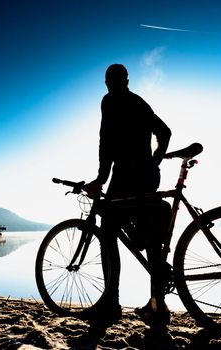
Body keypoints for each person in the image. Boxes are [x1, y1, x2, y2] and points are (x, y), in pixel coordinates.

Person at [85, 64, 172, 329]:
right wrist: (154, 161)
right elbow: (165, 133)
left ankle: (111, 303)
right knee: (151, 239)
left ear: (115, 82)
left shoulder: (109, 102)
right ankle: (158, 306)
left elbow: (106, 142)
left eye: (112, 81)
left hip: (125, 177)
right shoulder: (139, 102)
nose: (111, 85)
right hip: (147, 176)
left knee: (108, 231)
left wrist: (101, 178)